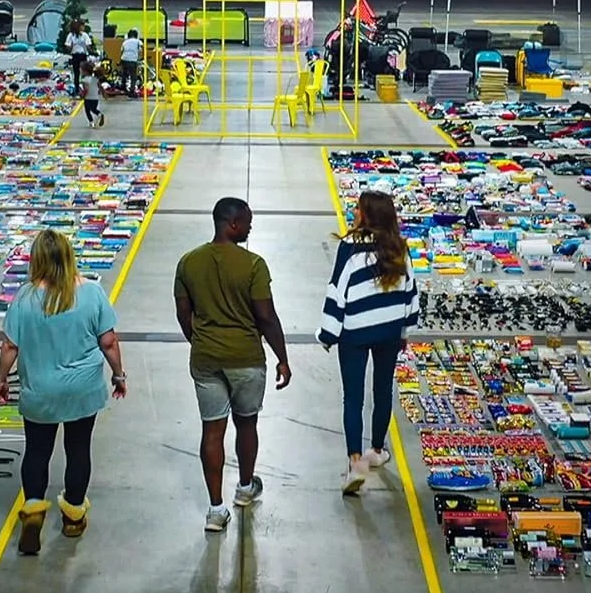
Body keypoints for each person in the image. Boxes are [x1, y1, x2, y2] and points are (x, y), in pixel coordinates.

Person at [0, 229, 127, 554]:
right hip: (82, 390)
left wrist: (1, 379)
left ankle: (35, 509)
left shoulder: (24, 298)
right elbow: (108, 342)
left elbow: (10, 347)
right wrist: (119, 374)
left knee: (37, 452)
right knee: (78, 449)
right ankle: (72, 516)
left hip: (40, 391)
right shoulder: (92, 293)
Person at [174, 198, 291, 532]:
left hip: (206, 360)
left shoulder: (188, 263)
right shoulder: (254, 265)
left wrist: (201, 342)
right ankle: (243, 488)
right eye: (248, 221)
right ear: (232, 223)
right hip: (246, 359)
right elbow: (266, 317)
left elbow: (184, 315)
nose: (251, 227)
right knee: (247, 424)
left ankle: (215, 509)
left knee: (212, 430)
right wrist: (282, 357)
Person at [318, 190, 419, 495]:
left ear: (367, 215)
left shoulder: (349, 248)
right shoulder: (399, 248)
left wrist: (328, 333)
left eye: (358, 209)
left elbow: (338, 291)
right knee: (383, 388)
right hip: (388, 330)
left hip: (355, 331)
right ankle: (377, 449)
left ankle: (356, 462)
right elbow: (411, 292)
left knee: (353, 397)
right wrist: (404, 332)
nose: (354, 212)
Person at [65, 19, 93, 96]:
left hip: (83, 55)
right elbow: (68, 46)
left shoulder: (84, 35)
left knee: (84, 73)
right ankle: (77, 90)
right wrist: (71, 46)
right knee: (76, 73)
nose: (83, 27)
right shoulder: (71, 35)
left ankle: (85, 89)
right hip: (75, 55)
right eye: (82, 26)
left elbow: (88, 45)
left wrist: (91, 50)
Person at [81, 59, 105, 128]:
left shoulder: (84, 80)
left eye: (81, 70)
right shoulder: (95, 79)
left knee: (87, 111)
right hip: (95, 98)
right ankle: (99, 114)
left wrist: (83, 95)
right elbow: (100, 87)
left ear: (85, 71)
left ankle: (91, 122)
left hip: (88, 98)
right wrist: (104, 94)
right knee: (94, 109)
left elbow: (86, 89)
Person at [119, 28, 142, 97]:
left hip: (124, 59)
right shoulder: (138, 41)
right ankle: (131, 91)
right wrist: (140, 57)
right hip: (132, 60)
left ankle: (123, 86)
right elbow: (141, 49)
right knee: (133, 76)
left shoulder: (125, 42)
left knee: (124, 74)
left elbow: (121, 51)